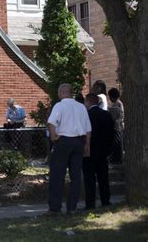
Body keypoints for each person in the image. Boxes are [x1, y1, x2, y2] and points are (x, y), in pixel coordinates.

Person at [47, 83, 92, 215]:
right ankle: (72, 207)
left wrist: (53, 137)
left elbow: (51, 122)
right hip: (79, 141)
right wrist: (87, 145)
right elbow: (88, 128)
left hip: (63, 141)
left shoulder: (59, 105)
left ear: (61, 92)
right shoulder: (81, 107)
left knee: (57, 175)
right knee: (76, 176)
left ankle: (55, 208)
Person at [82, 93, 115, 210]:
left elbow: (83, 133)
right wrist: (108, 149)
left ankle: (90, 203)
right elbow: (112, 133)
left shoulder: (86, 115)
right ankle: (105, 200)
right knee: (103, 178)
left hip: (89, 151)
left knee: (89, 178)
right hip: (102, 151)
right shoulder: (106, 115)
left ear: (88, 102)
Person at [108, 88, 124, 164]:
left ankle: (117, 160)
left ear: (112, 97)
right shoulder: (118, 103)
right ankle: (117, 159)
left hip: (117, 127)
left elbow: (114, 116)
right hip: (119, 127)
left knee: (117, 145)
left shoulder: (117, 104)